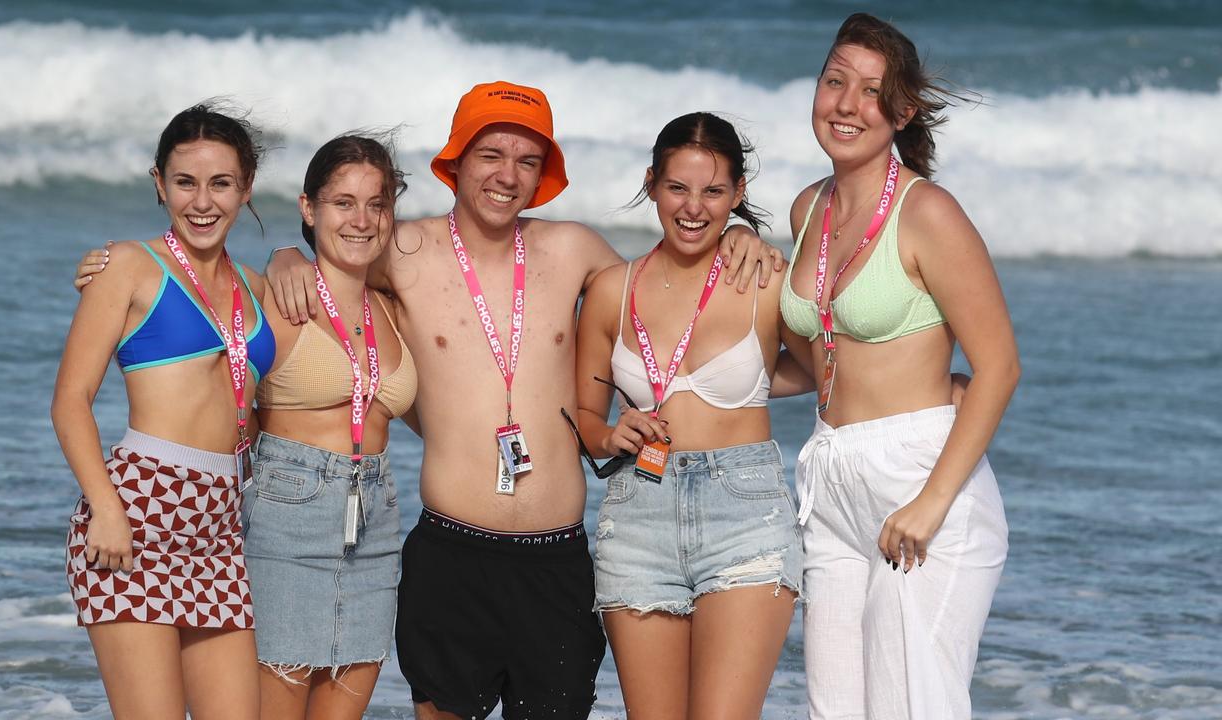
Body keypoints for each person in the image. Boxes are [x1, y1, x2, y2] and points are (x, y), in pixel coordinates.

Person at [263, 82, 785, 719]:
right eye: (490, 155)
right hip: (450, 553)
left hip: (554, 559)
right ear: (456, 161)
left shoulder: (574, 250)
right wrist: (286, 253)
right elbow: (334, 252)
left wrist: (739, 237)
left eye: (528, 161)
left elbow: (669, 290)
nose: (507, 175)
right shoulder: (402, 251)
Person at [780, 14, 1016, 719]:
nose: (845, 105)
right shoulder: (806, 211)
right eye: (834, 81)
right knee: (834, 711)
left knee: (915, 706)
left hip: (920, 481)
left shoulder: (928, 213)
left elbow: (999, 367)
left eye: (871, 91)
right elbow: (818, 358)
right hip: (829, 478)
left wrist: (930, 503)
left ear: (902, 111)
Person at [570, 111, 815, 718]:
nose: (694, 208)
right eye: (677, 187)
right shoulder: (610, 289)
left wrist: (753, 382)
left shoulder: (763, 277)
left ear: (738, 194)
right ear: (652, 182)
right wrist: (607, 433)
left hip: (746, 514)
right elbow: (583, 413)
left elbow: (823, 371)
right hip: (636, 518)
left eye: (713, 192)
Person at [52, 103, 272, 720]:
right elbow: (69, 403)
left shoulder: (258, 287)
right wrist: (106, 510)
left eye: (221, 183)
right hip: (136, 512)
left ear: (246, 186)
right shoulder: (126, 266)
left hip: (221, 530)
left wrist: (293, 261)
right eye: (185, 182)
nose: (202, 201)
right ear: (159, 183)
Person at [245, 134, 415, 718]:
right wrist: (113, 265)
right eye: (343, 202)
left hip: (376, 519)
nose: (362, 219)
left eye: (377, 203)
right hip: (286, 514)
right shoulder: (272, 298)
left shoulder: (391, 306)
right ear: (308, 208)